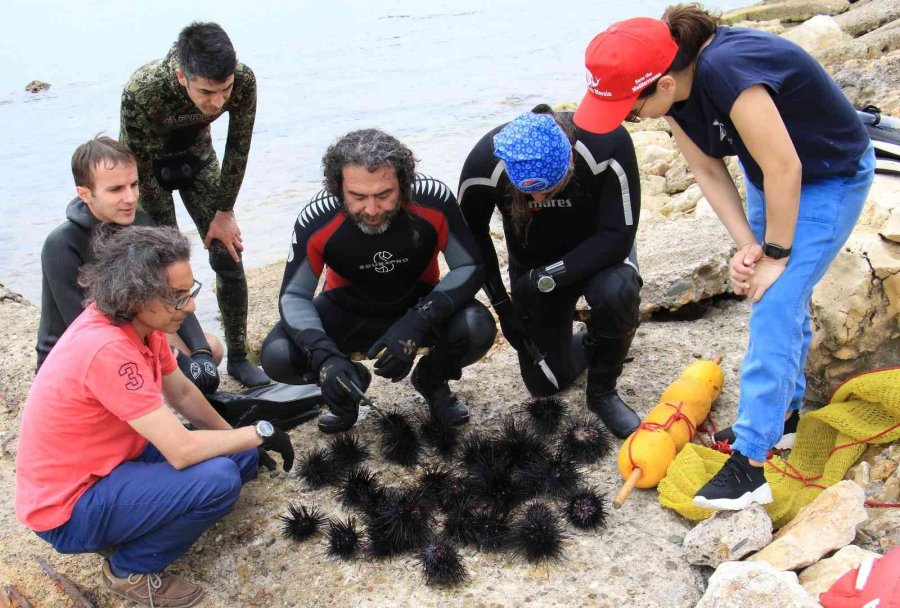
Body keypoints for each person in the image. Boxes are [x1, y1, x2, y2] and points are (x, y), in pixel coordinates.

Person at [575, 4, 875, 510]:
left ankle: (751, 466)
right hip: (769, 178)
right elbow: (711, 173)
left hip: (828, 176)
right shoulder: (672, 94)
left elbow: (787, 167)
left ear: (663, 83)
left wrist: (776, 255)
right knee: (777, 295)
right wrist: (748, 246)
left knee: (776, 302)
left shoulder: (728, 71)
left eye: (630, 108)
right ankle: (784, 419)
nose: (629, 118)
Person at [16, 225, 294, 608]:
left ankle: (135, 519)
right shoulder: (106, 348)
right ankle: (129, 569)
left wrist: (241, 439)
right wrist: (259, 432)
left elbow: (181, 392)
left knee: (239, 455)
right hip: (69, 506)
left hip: (114, 464)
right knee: (219, 478)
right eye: (177, 298)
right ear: (135, 295)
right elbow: (180, 450)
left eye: (188, 292)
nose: (191, 307)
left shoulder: (144, 324)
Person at [260, 129, 495, 433]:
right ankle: (348, 386)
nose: (371, 210)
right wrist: (325, 357)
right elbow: (294, 296)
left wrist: (419, 322)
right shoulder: (317, 218)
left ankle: (432, 380)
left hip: (419, 304)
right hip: (347, 311)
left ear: (404, 183)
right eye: (357, 197)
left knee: (477, 326)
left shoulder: (433, 201)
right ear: (337, 187)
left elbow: (469, 265)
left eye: (384, 195)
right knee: (277, 355)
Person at [458, 106, 642, 439]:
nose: (538, 197)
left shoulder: (606, 144)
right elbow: (472, 239)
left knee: (618, 291)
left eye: (550, 186)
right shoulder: (484, 162)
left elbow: (618, 237)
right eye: (526, 191)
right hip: (531, 261)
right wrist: (503, 307)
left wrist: (543, 279)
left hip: (601, 255)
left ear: (570, 158)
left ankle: (603, 392)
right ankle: (596, 341)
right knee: (544, 384)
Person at [120, 21, 268, 387]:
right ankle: (182, 361)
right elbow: (137, 166)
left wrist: (224, 212)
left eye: (225, 90)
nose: (218, 101)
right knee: (167, 269)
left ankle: (237, 357)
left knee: (228, 254)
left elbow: (238, 146)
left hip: (198, 160)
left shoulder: (244, 82)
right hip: (148, 169)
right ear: (181, 76)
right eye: (207, 92)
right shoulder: (143, 89)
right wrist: (164, 240)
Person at [37, 135, 223, 394]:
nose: (131, 197)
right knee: (172, 363)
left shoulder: (143, 224)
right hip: (77, 355)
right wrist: (176, 358)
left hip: (132, 330)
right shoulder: (61, 245)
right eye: (116, 190)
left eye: (133, 185)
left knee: (212, 348)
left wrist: (201, 353)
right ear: (85, 194)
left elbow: (176, 295)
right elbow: (86, 329)